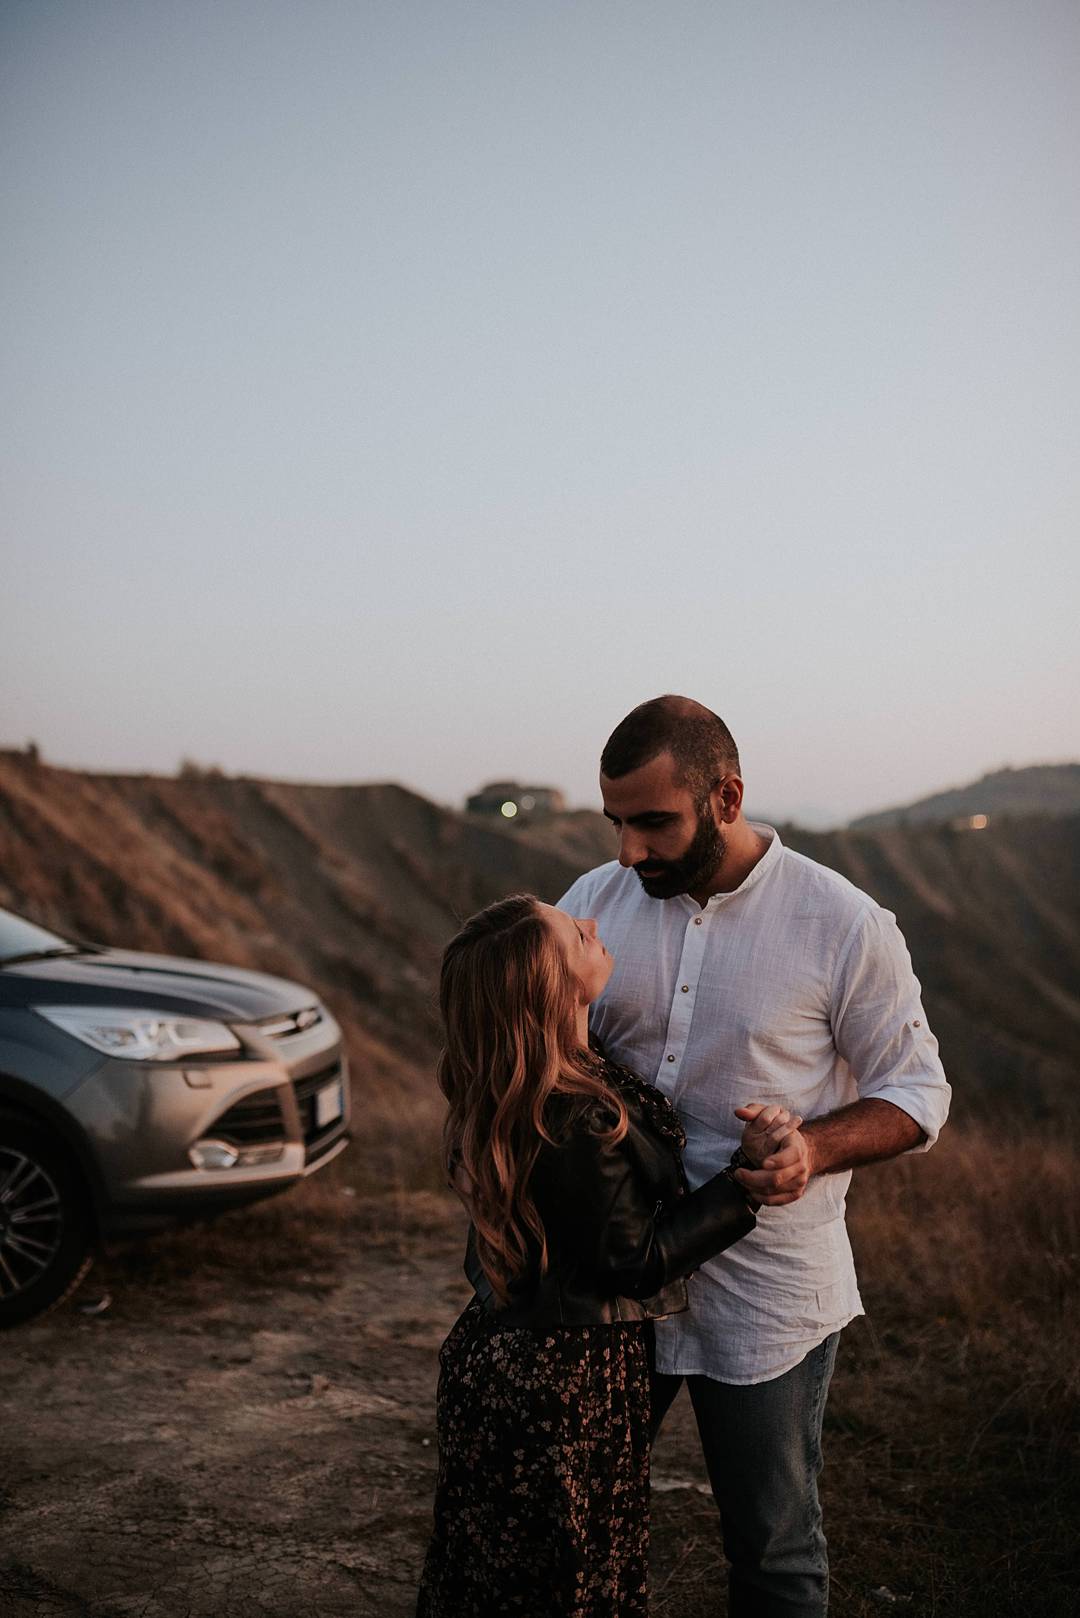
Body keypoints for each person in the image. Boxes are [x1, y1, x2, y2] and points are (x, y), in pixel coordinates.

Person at [558, 695, 952, 1618]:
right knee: (573, 1521)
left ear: (726, 797)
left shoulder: (845, 924)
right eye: (616, 822)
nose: (629, 852)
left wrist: (812, 1147)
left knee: (772, 1551)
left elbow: (918, 1093)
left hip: (767, 1288)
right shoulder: (591, 905)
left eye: (653, 823)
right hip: (613, 1279)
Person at [415, 893, 806, 1618]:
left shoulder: (525, 1087)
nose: (593, 923)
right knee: (565, 1576)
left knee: (495, 1573)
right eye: (574, 934)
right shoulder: (577, 1117)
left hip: (502, 1360)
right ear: (553, 989)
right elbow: (636, 1263)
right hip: (562, 1384)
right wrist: (742, 1187)